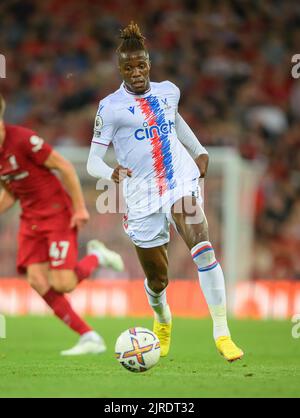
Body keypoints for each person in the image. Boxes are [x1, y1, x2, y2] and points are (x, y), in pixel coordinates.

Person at [87, 22, 244, 362]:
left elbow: (175, 122)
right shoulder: (110, 107)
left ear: (149, 63)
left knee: (202, 246)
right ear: (120, 69)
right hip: (141, 195)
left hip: (179, 182)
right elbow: (92, 162)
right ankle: (162, 317)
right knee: (158, 281)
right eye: (129, 67)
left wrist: (199, 149)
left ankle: (222, 332)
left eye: (141, 65)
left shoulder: (168, 91)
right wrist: (110, 172)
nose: (136, 72)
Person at [0, 93, 124, 356]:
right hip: (30, 218)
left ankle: (95, 257)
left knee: (63, 284)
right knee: (36, 279)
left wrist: (79, 208)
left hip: (56, 212)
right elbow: (11, 190)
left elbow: (65, 167)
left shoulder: (22, 140)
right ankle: (89, 336)